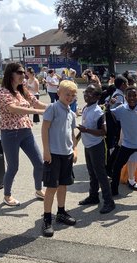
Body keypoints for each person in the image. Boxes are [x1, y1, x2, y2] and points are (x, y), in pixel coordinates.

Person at [0, 63, 47, 206]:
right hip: (10, 133)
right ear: (10, 74)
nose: (23, 75)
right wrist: (38, 112)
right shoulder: (2, 92)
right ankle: (7, 195)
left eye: (24, 72)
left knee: (39, 163)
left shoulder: (22, 90)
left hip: (26, 131)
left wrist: (55, 106)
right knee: (13, 167)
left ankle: (38, 189)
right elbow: (13, 109)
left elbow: (36, 103)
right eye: (19, 72)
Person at [41, 80, 79, 237]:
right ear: (59, 93)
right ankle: (47, 218)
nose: (69, 97)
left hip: (67, 154)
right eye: (66, 94)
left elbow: (72, 134)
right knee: (51, 187)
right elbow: (44, 129)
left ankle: (61, 212)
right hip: (54, 154)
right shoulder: (52, 108)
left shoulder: (71, 113)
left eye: (72, 95)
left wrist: (75, 149)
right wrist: (46, 150)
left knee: (63, 185)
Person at [77, 84, 115, 214]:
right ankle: (93, 196)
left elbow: (103, 132)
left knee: (101, 174)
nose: (86, 94)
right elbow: (84, 127)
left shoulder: (98, 111)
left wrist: (86, 130)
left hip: (96, 146)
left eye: (90, 93)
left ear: (98, 97)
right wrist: (75, 141)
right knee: (92, 173)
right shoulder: (87, 108)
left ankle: (109, 202)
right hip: (88, 146)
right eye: (86, 92)